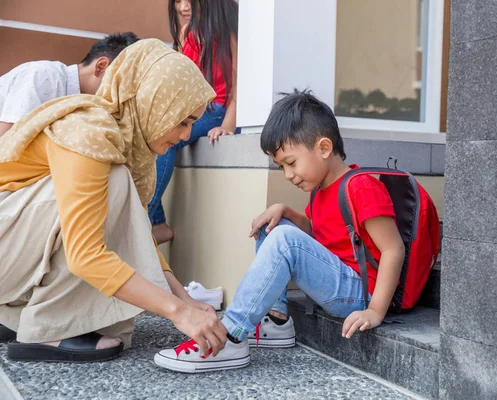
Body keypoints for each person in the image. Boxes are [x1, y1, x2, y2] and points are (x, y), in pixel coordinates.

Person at [0, 39, 228, 363]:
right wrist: (177, 312)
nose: (188, 135)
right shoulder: (88, 132)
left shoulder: (123, 141)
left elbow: (137, 231)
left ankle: (15, 313)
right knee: (113, 181)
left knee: (118, 188)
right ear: (153, 102)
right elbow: (85, 254)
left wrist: (183, 299)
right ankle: (47, 329)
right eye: (183, 121)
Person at [154, 90, 406, 373]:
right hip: (340, 278)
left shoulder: (360, 187)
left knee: (284, 239)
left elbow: (393, 248)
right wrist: (285, 211)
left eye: (291, 162)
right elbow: (319, 233)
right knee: (271, 227)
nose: (287, 174)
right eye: (281, 166)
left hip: (361, 292)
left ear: (324, 148)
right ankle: (276, 322)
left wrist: (375, 311)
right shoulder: (322, 188)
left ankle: (229, 336)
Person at [149, 0, 239, 244]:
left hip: (216, 108)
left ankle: (147, 218)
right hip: (189, 110)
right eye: (178, 1)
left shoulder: (227, 30)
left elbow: (239, 83)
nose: (183, 7)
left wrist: (228, 124)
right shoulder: (185, 31)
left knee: (167, 139)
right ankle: (156, 221)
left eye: (189, 0)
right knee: (152, 134)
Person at [0, 32, 139, 138]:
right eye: (123, 83)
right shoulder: (44, 76)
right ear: (101, 67)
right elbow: (8, 141)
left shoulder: (86, 106)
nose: (123, 94)